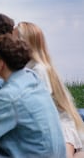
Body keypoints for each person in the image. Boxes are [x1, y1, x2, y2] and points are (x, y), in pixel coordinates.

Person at [15, 22, 84, 158]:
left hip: (58, 127)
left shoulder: (39, 70)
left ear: (24, 43)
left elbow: (40, 109)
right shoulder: (26, 67)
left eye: (13, 38)